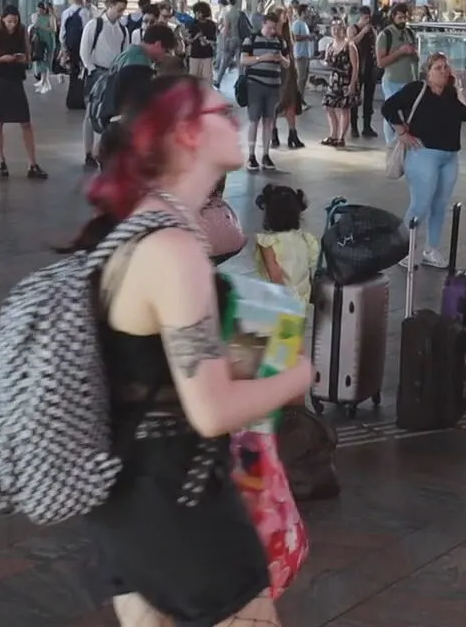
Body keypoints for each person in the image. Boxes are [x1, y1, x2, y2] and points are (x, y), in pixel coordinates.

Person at [70, 74, 311, 625]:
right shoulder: (172, 246)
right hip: (178, 504)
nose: (236, 119)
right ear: (185, 136)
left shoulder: (150, 225)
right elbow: (210, 409)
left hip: (134, 496)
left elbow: (160, 367)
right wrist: (299, 375)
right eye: (221, 114)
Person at [383, 53, 466, 266]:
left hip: (449, 156)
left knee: (440, 204)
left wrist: (461, 90)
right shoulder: (416, 89)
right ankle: (404, 249)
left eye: (445, 67)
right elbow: (388, 107)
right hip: (423, 154)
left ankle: (431, 249)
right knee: (420, 204)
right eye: (438, 68)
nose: (443, 71)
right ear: (428, 72)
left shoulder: (450, 93)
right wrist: (401, 131)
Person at [0, 6, 47, 180]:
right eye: (9, 21)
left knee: (25, 121)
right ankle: (1, 160)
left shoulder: (22, 31)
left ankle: (32, 163)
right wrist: (2, 59)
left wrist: (24, 58)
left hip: (16, 79)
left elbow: (28, 54)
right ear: (2, 20)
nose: (12, 25)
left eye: (15, 21)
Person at [78, 0, 133, 167]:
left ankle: (101, 150)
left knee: (109, 113)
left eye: (123, 10)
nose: (120, 14)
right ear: (109, 6)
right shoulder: (94, 25)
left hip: (114, 74)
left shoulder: (123, 30)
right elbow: (84, 50)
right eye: (119, 10)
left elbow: (125, 53)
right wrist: (91, 69)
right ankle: (88, 152)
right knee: (90, 113)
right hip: (96, 72)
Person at [251, 184, 318, 307]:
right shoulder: (305, 239)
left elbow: (275, 275)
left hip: (282, 301)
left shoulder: (268, 243)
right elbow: (307, 269)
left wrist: (285, 304)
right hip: (302, 299)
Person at [238, 12, 290, 172]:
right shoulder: (251, 40)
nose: (272, 31)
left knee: (269, 120)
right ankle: (252, 155)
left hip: (273, 85)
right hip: (255, 84)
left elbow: (288, 64)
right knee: (254, 119)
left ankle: (266, 154)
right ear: (263, 24)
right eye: (270, 27)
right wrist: (262, 58)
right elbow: (243, 60)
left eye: (275, 28)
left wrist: (281, 58)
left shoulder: (280, 41)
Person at [374, 2, 421, 143]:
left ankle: (404, 140)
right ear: (393, 17)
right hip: (392, 80)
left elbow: (415, 58)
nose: (403, 21)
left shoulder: (409, 33)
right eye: (400, 17)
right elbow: (381, 62)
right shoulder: (385, 35)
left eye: (405, 18)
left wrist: (414, 54)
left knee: (407, 113)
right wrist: (400, 52)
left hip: (409, 79)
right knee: (392, 112)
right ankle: (391, 142)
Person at [320, 20, 360, 148]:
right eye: (333, 28)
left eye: (338, 28)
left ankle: (341, 137)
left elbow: (355, 66)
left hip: (346, 80)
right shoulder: (330, 45)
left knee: (344, 108)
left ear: (343, 29)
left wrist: (353, 83)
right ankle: (333, 134)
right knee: (328, 106)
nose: (335, 31)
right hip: (334, 80)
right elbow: (327, 61)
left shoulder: (350, 45)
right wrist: (325, 64)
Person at [351, 5, 380, 138]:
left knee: (369, 98)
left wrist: (373, 32)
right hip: (357, 66)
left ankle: (367, 126)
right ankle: (353, 127)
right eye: (364, 17)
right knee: (355, 98)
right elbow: (351, 43)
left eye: (368, 17)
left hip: (370, 66)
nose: (367, 20)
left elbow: (377, 45)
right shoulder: (353, 28)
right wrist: (362, 32)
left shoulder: (371, 29)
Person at [186, 0, 218, 83]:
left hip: (207, 55)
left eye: (199, 12)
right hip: (194, 55)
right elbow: (188, 40)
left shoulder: (211, 24)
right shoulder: (192, 24)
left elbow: (214, 41)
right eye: (196, 12)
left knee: (207, 78)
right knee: (193, 78)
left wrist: (205, 41)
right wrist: (195, 38)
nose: (197, 14)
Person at [29, 1, 58, 91]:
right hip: (40, 41)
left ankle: (46, 82)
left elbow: (53, 29)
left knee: (46, 61)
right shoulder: (38, 17)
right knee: (40, 61)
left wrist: (41, 27)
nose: (39, 12)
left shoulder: (50, 17)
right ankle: (43, 80)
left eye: (40, 10)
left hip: (48, 41)